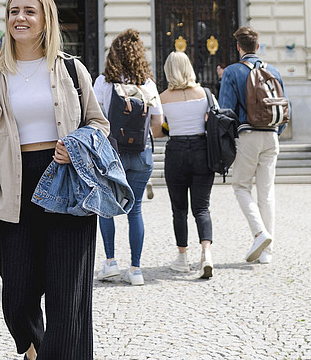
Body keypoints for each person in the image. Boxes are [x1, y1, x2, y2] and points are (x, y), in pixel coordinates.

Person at [0, 0, 109, 360]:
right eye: (14, 11)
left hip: (66, 182)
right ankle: (35, 352)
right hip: (15, 189)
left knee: (68, 297)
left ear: (46, 19)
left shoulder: (70, 69)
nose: (20, 18)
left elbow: (99, 122)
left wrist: (77, 144)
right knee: (17, 293)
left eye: (29, 11)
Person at [93, 29, 162, 286]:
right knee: (135, 211)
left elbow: (94, 119)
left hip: (112, 156)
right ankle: (136, 269)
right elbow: (158, 122)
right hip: (142, 156)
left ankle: (110, 263)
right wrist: (140, 137)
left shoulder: (103, 83)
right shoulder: (148, 84)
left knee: (107, 209)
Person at [218, 26, 286, 265]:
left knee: (241, 186)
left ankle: (260, 234)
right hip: (272, 135)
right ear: (257, 46)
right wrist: (276, 132)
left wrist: (228, 142)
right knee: (267, 193)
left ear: (239, 47)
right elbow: (285, 107)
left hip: (247, 135)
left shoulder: (232, 72)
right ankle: (267, 253)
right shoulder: (274, 71)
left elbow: (225, 111)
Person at [155, 51, 215, 279]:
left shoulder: (163, 97)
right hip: (202, 150)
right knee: (202, 207)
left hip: (176, 151)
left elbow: (158, 130)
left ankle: (182, 257)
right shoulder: (205, 94)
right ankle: (206, 254)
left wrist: (173, 125)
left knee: (179, 209)